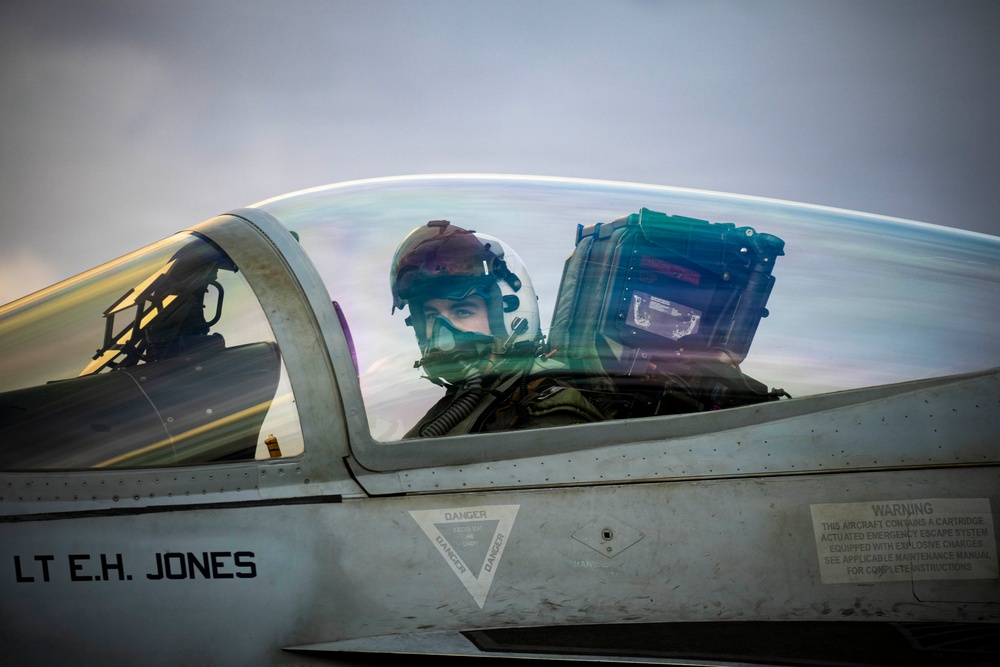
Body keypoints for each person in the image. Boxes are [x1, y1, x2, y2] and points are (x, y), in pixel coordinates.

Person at [389, 220, 607, 438]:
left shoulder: (545, 417)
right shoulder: (468, 400)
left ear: (512, 314)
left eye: (462, 312)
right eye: (432, 316)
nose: (442, 332)